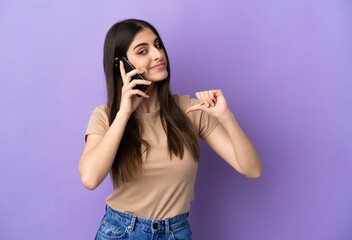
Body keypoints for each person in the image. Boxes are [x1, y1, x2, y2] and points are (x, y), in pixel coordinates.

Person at [79, 18, 262, 240]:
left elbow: (252, 169)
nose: (157, 55)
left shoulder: (190, 109)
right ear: (122, 65)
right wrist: (124, 114)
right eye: (142, 51)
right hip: (122, 232)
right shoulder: (105, 117)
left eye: (157, 45)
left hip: (176, 232)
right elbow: (90, 179)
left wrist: (226, 117)